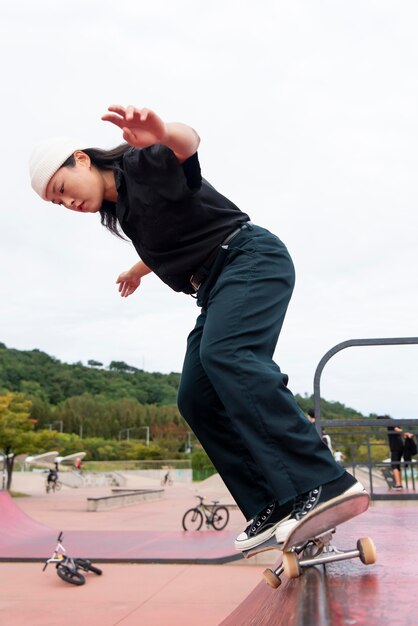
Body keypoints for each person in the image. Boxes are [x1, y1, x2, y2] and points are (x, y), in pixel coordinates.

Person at [29, 104, 366, 551]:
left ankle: (325, 480)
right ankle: (276, 501)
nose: (69, 202)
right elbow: (172, 238)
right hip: (214, 285)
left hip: (249, 259)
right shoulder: (127, 211)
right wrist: (136, 270)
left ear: (83, 159)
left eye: (63, 187)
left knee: (227, 356)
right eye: (59, 203)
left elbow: (187, 147)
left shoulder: (139, 164)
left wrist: (163, 131)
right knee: (196, 396)